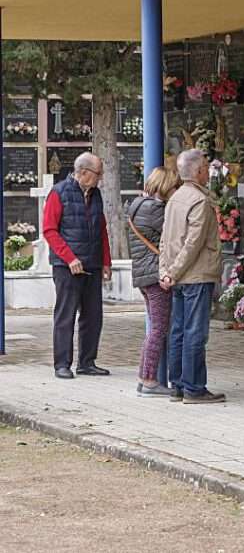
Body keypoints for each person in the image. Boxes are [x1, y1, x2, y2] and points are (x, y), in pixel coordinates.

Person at [159, 149, 225, 404]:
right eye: (206, 168)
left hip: (176, 276)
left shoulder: (174, 198)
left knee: (178, 331)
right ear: (198, 172)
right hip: (196, 275)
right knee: (195, 333)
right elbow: (193, 243)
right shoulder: (200, 201)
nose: (209, 172)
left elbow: (165, 240)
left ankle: (176, 385)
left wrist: (165, 271)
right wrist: (173, 271)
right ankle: (194, 388)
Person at [43, 152, 112, 380]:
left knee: (93, 316)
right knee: (66, 315)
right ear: (83, 172)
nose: (100, 178)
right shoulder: (59, 192)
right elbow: (50, 230)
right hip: (67, 267)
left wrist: (105, 261)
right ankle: (62, 364)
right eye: (98, 173)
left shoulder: (96, 194)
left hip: (91, 263)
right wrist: (69, 258)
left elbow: (101, 229)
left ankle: (87, 362)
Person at [126, 166, 180, 397]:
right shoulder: (157, 209)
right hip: (155, 274)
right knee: (158, 329)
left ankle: (145, 378)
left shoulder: (137, 205)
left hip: (142, 273)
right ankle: (148, 379)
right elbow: (171, 237)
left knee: (155, 327)